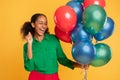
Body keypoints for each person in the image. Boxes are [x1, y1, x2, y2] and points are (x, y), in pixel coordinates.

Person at [21, 13, 89, 80]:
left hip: (53, 77)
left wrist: (80, 65)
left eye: (45, 23)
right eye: (41, 23)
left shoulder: (53, 40)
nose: (44, 26)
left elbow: (62, 59)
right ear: (33, 25)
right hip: (36, 77)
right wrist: (30, 44)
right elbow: (29, 67)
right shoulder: (27, 46)